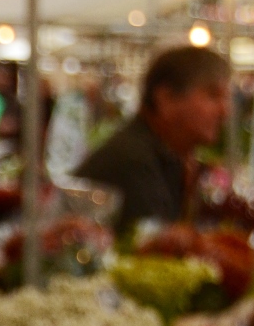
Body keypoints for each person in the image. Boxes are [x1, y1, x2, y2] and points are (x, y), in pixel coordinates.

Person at [74, 46, 230, 235]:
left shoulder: (165, 157)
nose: (224, 111)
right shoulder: (132, 161)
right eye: (212, 96)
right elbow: (157, 250)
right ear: (165, 98)